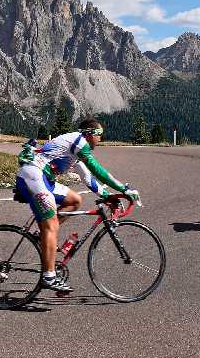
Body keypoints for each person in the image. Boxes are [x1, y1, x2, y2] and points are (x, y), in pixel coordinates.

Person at [16, 119, 139, 295]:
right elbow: (97, 170)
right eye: (99, 135)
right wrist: (123, 189)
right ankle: (48, 276)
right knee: (50, 226)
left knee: (74, 200)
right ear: (90, 134)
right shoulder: (79, 142)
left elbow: (88, 178)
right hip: (33, 176)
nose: (101, 140)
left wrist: (108, 196)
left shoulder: (75, 148)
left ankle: (41, 236)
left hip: (44, 178)